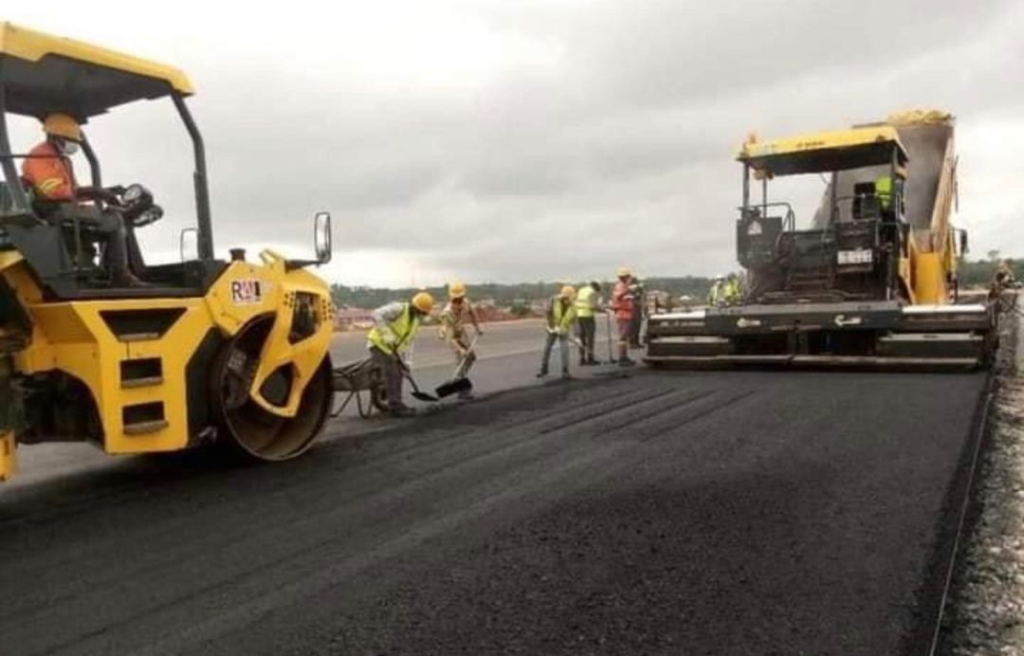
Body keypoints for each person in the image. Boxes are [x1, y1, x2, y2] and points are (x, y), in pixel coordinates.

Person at [21, 113, 135, 286]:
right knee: (113, 219)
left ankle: (90, 268)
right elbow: (55, 192)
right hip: (49, 208)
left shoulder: (60, 159)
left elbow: (74, 191)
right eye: (69, 139)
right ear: (54, 136)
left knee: (104, 215)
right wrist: (97, 192)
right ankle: (120, 275)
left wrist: (105, 191)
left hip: (61, 206)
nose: (73, 144)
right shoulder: (41, 156)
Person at [367, 291, 435, 416]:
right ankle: (395, 407)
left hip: (392, 350)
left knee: (399, 372)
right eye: (421, 311)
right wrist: (386, 333)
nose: (421, 314)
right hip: (378, 345)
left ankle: (391, 399)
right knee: (393, 372)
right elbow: (376, 314)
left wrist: (407, 362)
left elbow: (409, 342)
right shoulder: (399, 308)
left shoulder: (415, 321)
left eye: (423, 313)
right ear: (415, 307)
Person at [438, 281, 482, 399]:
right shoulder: (446, 314)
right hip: (450, 335)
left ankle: (458, 379)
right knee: (462, 357)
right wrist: (460, 349)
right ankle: (461, 388)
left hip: (460, 332)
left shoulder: (465, 303)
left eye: (460, 298)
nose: (458, 301)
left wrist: (477, 327)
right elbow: (449, 338)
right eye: (455, 299)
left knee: (471, 357)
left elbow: (472, 313)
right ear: (451, 297)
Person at [538, 285, 576, 379]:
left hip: (563, 330)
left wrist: (577, 336)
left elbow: (575, 321)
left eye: (569, 298)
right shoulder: (554, 300)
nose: (567, 300)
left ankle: (565, 371)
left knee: (565, 349)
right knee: (548, 347)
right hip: (552, 328)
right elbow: (548, 313)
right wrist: (553, 326)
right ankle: (544, 368)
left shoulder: (573, 306)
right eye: (566, 298)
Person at [610, 267, 637, 367]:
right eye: (629, 277)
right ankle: (622, 357)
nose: (630, 279)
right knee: (623, 337)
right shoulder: (621, 286)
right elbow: (618, 297)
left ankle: (624, 357)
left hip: (626, 314)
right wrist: (628, 290)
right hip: (623, 314)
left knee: (625, 337)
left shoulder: (624, 286)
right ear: (625, 277)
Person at [574, 281, 602, 366]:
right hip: (588, 316)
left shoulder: (581, 290)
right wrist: (602, 309)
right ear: (596, 288)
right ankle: (590, 358)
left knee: (581, 338)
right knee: (590, 338)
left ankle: (582, 358)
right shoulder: (593, 292)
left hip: (578, 316)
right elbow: (592, 306)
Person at [628, 276, 645, 348]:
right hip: (632, 310)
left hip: (637, 309)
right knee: (633, 327)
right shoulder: (629, 289)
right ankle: (632, 343)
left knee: (637, 327)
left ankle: (636, 342)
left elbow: (640, 296)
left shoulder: (637, 289)